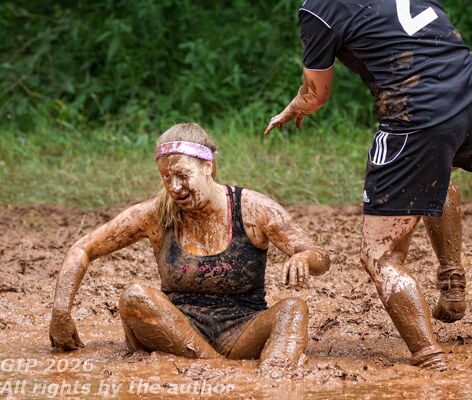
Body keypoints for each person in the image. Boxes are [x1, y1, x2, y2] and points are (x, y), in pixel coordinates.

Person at [265, 0, 472, 371]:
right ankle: (451, 279)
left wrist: (296, 106)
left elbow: (316, 93)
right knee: (437, 174)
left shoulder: (319, 8)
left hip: (421, 116)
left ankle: (430, 358)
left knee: (380, 255)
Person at [49, 123, 330, 372]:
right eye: (165, 177)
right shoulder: (154, 214)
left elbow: (321, 257)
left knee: (293, 308)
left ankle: (274, 380)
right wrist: (61, 312)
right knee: (135, 297)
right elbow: (82, 249)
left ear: (207, 167)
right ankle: (220, 371)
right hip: (175, 333)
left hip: (243, 330)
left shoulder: (253, 208)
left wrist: (303, 258)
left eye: (182, 175)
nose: (174, 186)